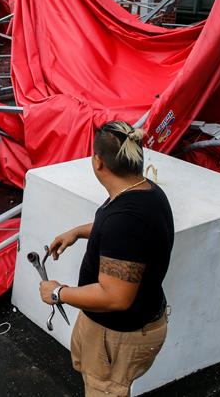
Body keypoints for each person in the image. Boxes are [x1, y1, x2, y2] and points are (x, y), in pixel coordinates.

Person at [39, 121, 173, 397]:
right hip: (111, 329)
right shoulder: (143, 190)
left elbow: (115, 298)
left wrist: (58, 293)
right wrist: (78, 231)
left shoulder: (126, 220)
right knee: (92, 376)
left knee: (105, 389)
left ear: (97, 162)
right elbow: (116, 230)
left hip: (118, 337)